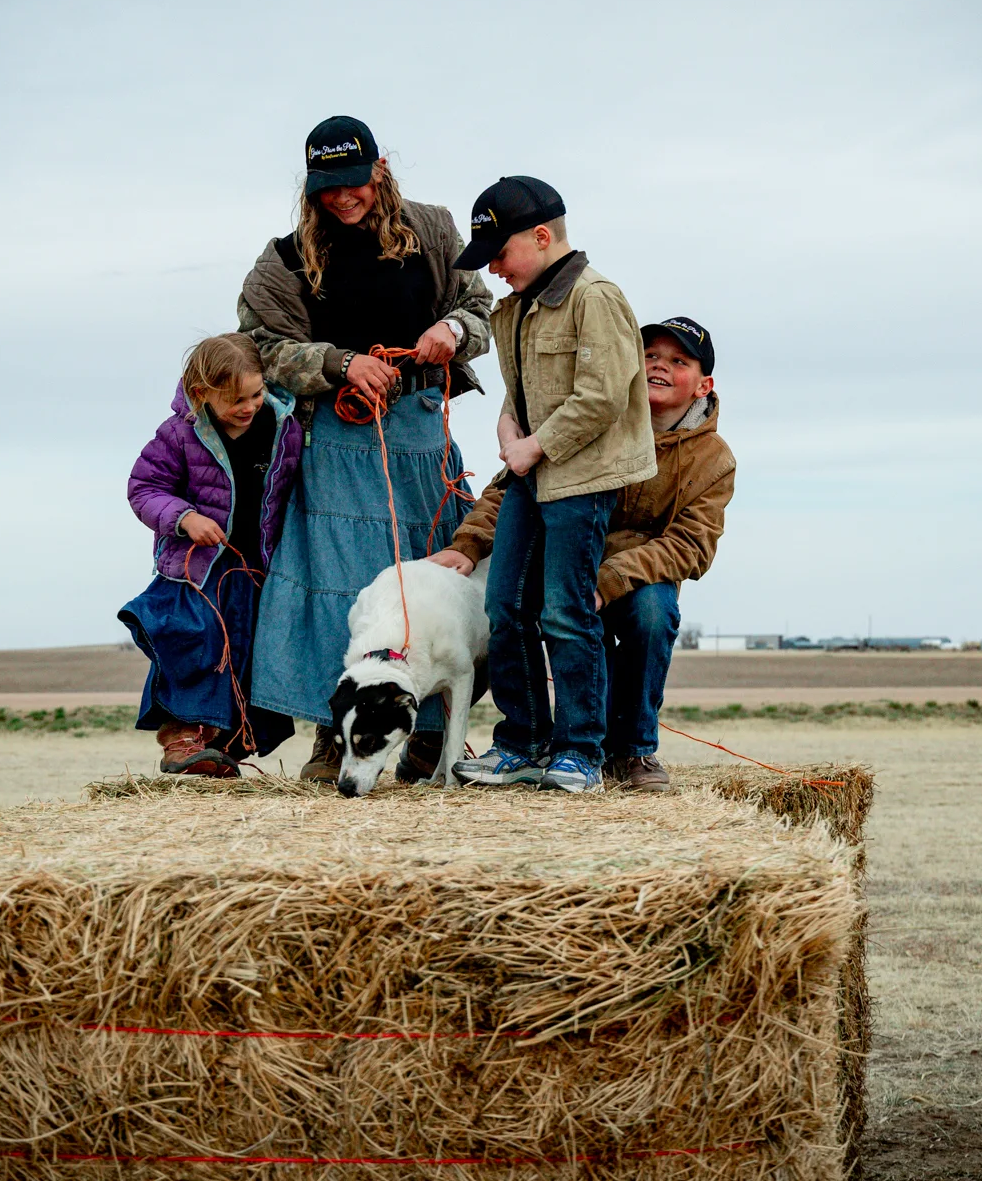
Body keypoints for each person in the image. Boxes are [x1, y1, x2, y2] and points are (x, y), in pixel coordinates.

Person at [237, 117, 494, 784]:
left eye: (353, 183)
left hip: (421, 437)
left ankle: (431, 738)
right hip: (337, 442)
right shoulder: (286, 258)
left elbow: (480, 306)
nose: (344, 199)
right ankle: (335, 736)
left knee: (439, 591)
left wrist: (451, 328)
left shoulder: (435, 230)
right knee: (337, 594)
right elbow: (259, 345)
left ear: (378, 169)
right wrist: (341, 363)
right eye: (328, 189)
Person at [432, 316, 735, 791]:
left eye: (678, 362)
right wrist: (467, 545)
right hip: (563, 559)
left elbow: (691, 545)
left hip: (633, 579)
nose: (659, 367)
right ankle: (519, 742)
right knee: (506, 600)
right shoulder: (594, 416)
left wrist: (609, 579)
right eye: (650, 356)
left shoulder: (714, 458)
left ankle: (633, 752)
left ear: (703, 385)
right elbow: (515, 488)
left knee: (653, 615)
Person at [442, 176, 656, 794]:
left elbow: (603, 396)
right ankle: (522, 742)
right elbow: (522, 389)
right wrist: (508, 425)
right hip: (531, 476)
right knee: (504, 605)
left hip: (581, 480)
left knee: (565, 611)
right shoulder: (515, 307)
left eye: (499, 255)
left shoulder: (597, 297)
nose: (495, 270)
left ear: (542, 236)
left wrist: (531, 446)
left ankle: (580, 752)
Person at [119, 333, 303, 776]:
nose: (248, 406)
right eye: (235, 400)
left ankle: (223, 748)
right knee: (193, 643)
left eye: (256, 394)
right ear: (201, 395)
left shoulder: (285, 428)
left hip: (256, 567)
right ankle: (182, 741)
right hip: (195, 570)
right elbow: (143, 488)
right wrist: (184, 518)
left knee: (248, 655)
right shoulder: (179, 434)